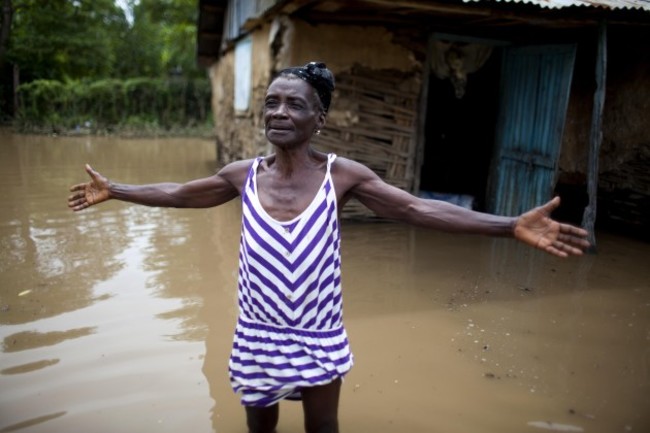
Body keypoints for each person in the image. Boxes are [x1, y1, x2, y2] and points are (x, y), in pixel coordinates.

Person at [68, 61, 590, 433]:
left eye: (295, 104)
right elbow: (179, 194)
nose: (278, 111)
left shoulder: (341, 176)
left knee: (323, 426)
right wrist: (117, 190)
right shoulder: (242, 176)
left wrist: (507, 226)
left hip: (317, 334)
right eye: (271, 102)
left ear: (320, 118)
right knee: (260, 427)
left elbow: (417, 209)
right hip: (257, 334)